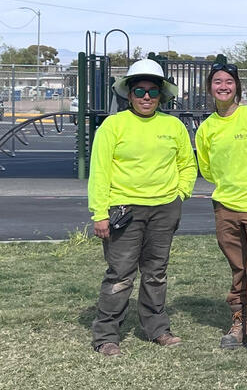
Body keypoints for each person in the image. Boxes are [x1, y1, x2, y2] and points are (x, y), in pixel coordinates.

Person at [89, 59, 197, 357]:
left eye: (152, 91)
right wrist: (100, 213)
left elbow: (187, 164)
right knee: (120, 274)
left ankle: (157, 328)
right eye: (139, 90)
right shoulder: (113, 125)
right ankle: (107, 335)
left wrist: (180, 193)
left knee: (156, 272)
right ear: (129, 94)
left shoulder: (173, 126)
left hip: (165, 209)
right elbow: (100, 172)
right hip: (124, 210)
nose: (146, 97)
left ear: (161, 94)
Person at [195, 62, 247, 354]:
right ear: (210, 89)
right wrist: (229, 186)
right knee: (239, 268)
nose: (223, 86)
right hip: (225, 207)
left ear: (237, 87)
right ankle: (238, 322)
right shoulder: (206, 128)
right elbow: (206, 168)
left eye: (229, 81)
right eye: (217, 82)